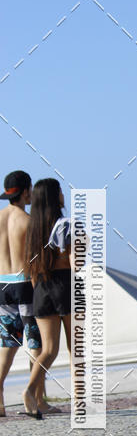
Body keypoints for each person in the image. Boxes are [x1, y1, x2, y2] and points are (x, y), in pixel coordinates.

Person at [22, 179, 72, 418]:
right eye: (60, 191)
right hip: (64, 284)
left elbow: (31, 270)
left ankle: (30, 390)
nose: (63, 194)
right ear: (54, 197)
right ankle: (81, 400)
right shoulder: (65, 225)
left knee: (49, 349)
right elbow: (74, 262)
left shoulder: (33, 231)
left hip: (41, 287)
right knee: (76, 348)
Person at [0, 171, 43, 415]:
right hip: (24, 284)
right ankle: (34, 397)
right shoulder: (28, 221)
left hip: (2, 285)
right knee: (35, 342)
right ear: (26, 192)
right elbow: (35, 262)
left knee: (8, 343)